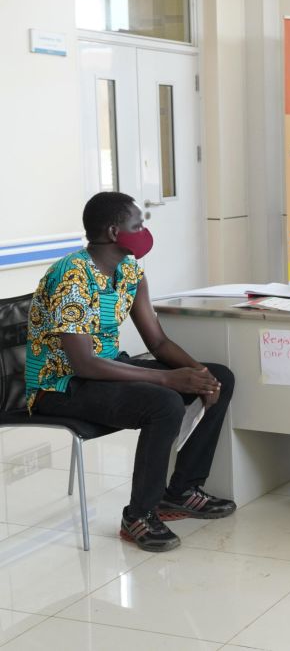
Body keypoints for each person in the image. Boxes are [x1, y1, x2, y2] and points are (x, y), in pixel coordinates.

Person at [25, 192, 237, 552]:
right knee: (164, 402)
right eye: (137, 224)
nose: (143, 230)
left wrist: (198, 372)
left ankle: (181, 491)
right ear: (113, 231)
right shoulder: (71, 277)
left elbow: (157, 342)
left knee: (219, 378)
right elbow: (84, 364)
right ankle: (139, 515)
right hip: (60, 385)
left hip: (107, 369)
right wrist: (170, 379)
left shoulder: (130, 270)